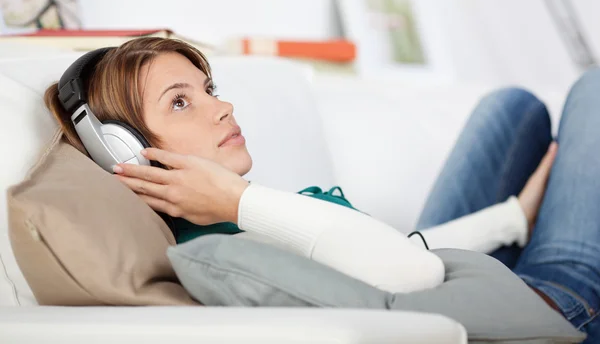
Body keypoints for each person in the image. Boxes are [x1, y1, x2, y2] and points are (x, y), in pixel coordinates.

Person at [44, 37, 598, 340]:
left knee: (512, 107)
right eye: (181, 101)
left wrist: (511, 218)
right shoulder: (228, 250)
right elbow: (415, 272)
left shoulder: (235, 218)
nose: (225, 106)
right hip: (551, 301)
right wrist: (242, 201)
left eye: (209, 88)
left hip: (453, 266)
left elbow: (405, 250)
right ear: (127, 149)